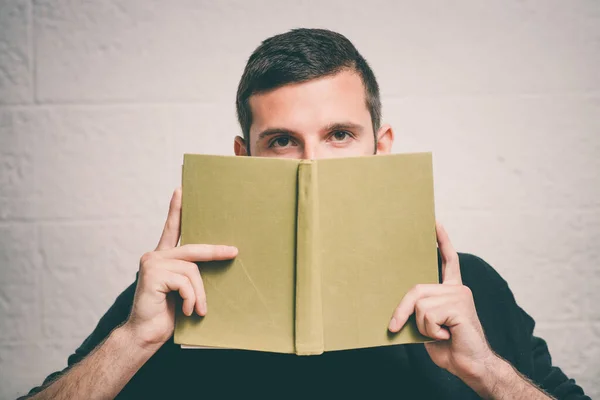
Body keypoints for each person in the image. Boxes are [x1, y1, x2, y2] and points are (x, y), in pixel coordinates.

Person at [21, 28, 589, 400]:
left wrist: (486, 371)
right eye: (282, 141)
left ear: (380, 146)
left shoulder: (470, 286)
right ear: (245, 157)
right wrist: (132, 341)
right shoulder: (173, 293)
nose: (313, 164)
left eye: (339, 134)